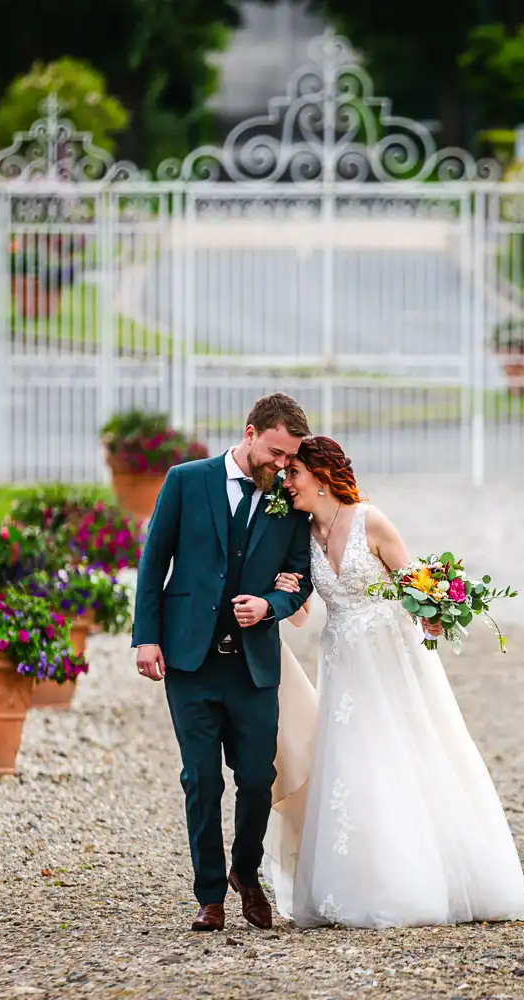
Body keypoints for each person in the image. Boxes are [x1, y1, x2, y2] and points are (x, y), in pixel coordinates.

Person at [262, 435, 524, 928]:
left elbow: (415, 584)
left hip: (388, 656)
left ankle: (428, 879)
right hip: (342, 663)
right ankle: (364, 880)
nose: (286, 482)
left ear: (321, 475)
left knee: (405, 749)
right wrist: (284, 590)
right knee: (351, 761)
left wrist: (438, 612)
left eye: (293, 473)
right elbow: (301, 615)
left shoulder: (369, 520)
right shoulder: (300, 534)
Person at [131, 393, 314, 933]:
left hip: (254, 665)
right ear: (251, 431)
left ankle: (247, 872)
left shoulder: (288, 497)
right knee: (201, 780)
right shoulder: (186, 481)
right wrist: (146, 638)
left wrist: (271, 605)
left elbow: (299, 573)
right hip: (190, 660)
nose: (282, 465)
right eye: (277, 451)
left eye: (290, 457)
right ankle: (209, 894)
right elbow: (153, 561)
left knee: (257, 777)